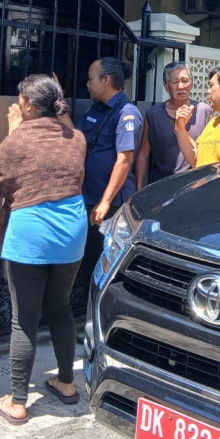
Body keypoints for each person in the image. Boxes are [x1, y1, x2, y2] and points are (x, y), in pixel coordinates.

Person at [0, 73, 87, 424]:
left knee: (24, 319)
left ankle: (16, 401)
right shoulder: (77, 138)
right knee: (60, 307)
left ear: (28, 104)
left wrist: (14, 132)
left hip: (32, 233)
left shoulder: (19, 138)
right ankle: (67, 383)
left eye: (20, 99)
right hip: (72, 232)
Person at [73, 57, 142, 313]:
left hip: (109, 205)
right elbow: (78, 139)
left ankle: (96, 319)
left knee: (104, 264)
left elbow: (124, 161)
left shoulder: (126, 113)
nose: (87, 84)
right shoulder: (96, 109)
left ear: (105, 80)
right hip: (89, 198)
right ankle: (86, 313)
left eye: (91, 78)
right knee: (88, 260)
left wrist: (104, 202)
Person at [134, 61, 211, 188]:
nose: (181, 86)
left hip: (194, 184)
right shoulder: (153, 114)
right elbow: (143, 153)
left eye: (185, 81)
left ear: (191, 83)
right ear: (166, 86)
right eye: (175, 82)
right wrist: (139, 185)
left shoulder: (204, 111)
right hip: (160, 184)